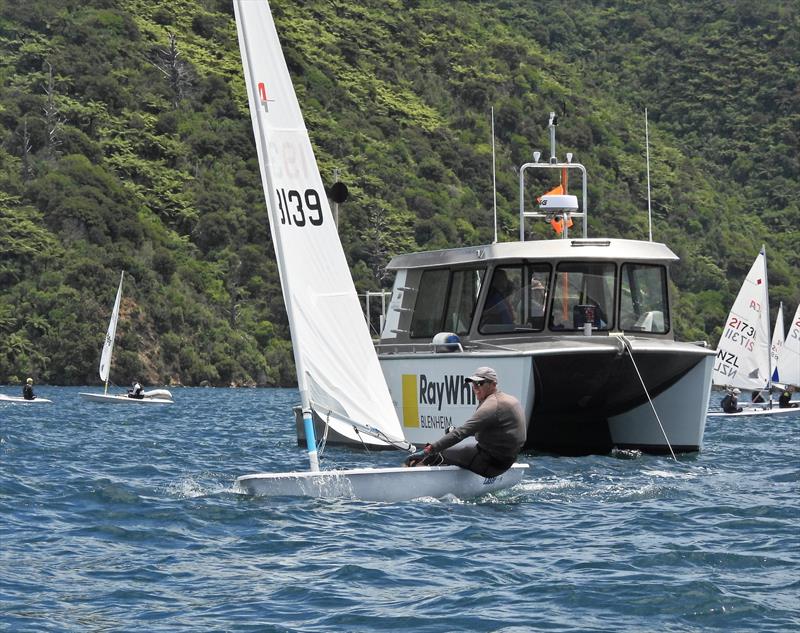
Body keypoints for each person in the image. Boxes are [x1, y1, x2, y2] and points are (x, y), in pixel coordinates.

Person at [405, 366, 526, 477]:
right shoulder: (510, 399)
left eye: (480, 383)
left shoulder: (492, 404)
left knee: (433, 454)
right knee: (451, 449)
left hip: (490, 465)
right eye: (473, 384)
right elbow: (496, 432)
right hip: (506, 461)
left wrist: (428, 451)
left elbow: (461, 434)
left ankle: (413, 483)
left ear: (493, 384)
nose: (475, 388)